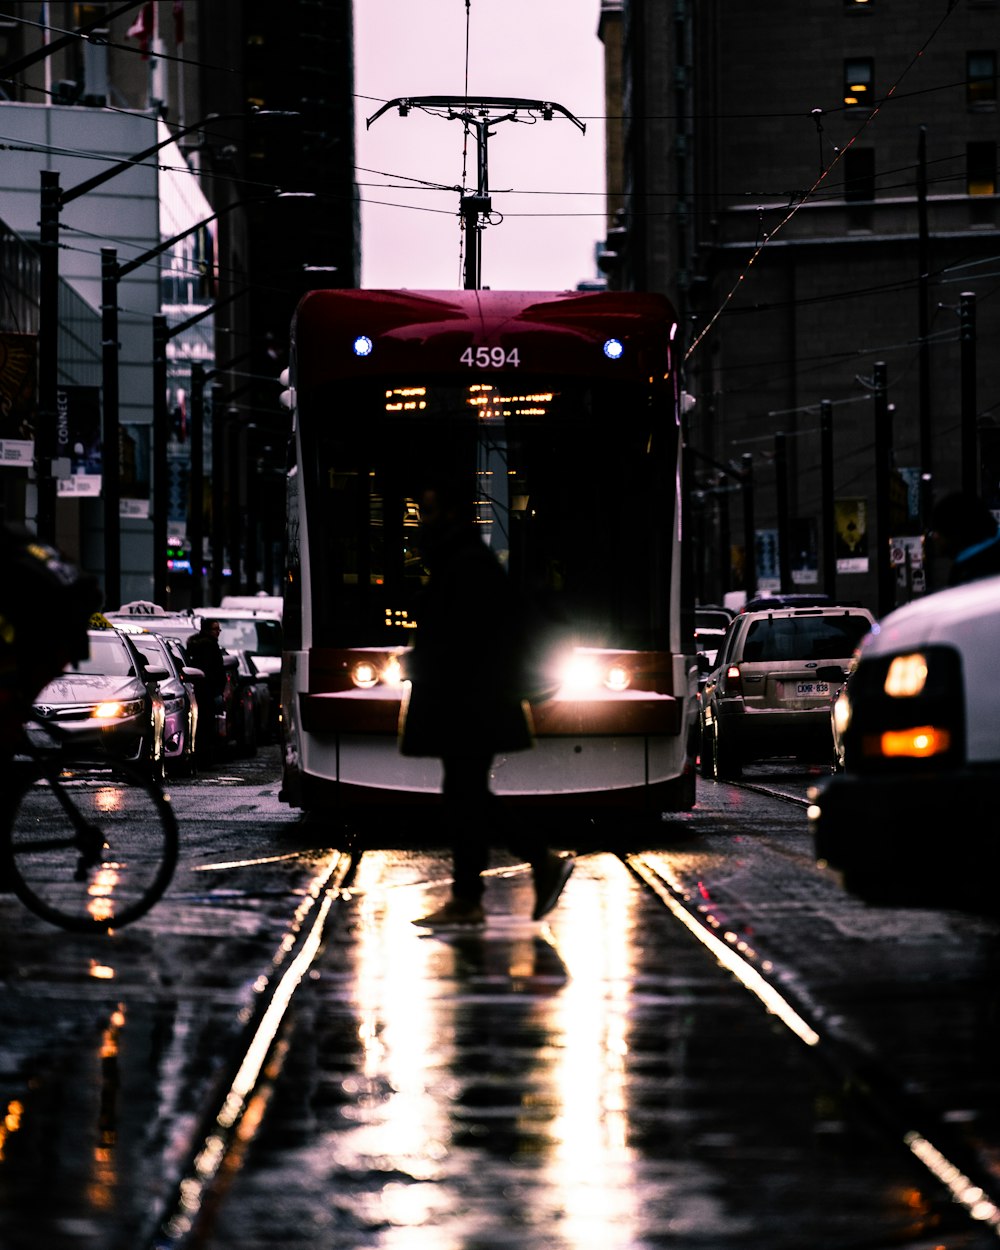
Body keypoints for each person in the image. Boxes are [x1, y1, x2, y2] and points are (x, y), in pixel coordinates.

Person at [399, 480, 573, 928]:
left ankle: (524, 868)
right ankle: (472, 895)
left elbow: (468, 639)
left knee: (464, 794)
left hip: (469, 701)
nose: (425, 519)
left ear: (453, 513)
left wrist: (421, 658)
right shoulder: (461, 559)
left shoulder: (465, 563)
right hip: (471, 700)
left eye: (431, 508)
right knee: (465, 794)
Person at [0, 523, 101, 756]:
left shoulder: (13, 561)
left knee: (8, 702)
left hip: (50, 639)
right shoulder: (32, 548)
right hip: (65, 636)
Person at [927, 492, 1000, 586]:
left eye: (937, 531)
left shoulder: (971, 573)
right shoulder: (985, 562)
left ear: (955, 532)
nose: (934, 537)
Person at [186, 617, 226, 760]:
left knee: (204, 724)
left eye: (218, 629)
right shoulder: (209, 647)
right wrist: (218, 686)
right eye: (215, 629)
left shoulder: (198, 645)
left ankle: (202, 754)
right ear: (208, 631)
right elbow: (215, 670)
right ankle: (204, 756)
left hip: (204, 690)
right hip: (207, 691)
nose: (218, 632)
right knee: (206, 725)